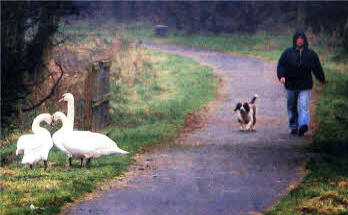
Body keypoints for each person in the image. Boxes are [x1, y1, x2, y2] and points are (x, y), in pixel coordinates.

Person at [277, 30, 327, 136]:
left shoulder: (311, 54)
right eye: (298, 39)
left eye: (302, 39)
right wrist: (281, 76)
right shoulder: (287, 53)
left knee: (303, 105)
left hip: (305, 85)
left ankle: (303, 125)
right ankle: (294, 125)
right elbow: (281, 65)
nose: (300, 41)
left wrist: (322, 79)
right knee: (291, 106)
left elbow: (317, 67)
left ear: (304, 40)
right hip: (291, 85)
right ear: (295, 40)